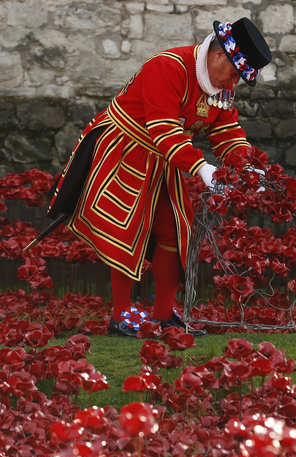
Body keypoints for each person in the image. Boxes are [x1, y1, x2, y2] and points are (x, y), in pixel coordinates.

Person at [47, 18, 272, 336]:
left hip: (168, 156)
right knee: (125, 229)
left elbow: (225, 130)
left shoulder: (221, 88)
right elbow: (163, 129)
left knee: (175, 230)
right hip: (127, 147)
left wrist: (246, 165)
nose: (233, 84)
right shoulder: (166, 67)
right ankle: (121, 316)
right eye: (235, 73)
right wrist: (202, 168)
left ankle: (164, 316)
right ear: (220, 55)